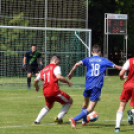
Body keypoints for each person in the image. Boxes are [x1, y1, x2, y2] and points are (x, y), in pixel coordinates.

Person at [68, 45, 121, 129]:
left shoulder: (88, 59)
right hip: (96, 86)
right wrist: (126, 68)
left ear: (92, 52)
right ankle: (74, 119)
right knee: (91, 108)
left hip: (88, 84)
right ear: (100, 52)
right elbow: (117, 67)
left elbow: (76, 64)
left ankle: (84, 120)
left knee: (85, 103)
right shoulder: (103, 60)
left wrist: (71, 73)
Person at [34, 55, 73, 124]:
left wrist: (37, 88)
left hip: (45, 92)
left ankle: (37, 121)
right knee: (70, 101)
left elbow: (35, 81)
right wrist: (68, 82)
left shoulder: (43, 70)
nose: (59, 64)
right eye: (59, 62)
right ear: (55, 60)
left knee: (49, 106)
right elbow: (59, 77)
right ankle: (59, 118)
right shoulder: (56, 67)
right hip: (54, 91)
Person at [115, 58, 134, 133]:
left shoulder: (130, 61)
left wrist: (121, 78)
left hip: (128, 85)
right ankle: (131, 112)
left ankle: (117, 127)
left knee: (121, 106)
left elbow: (121, 73)